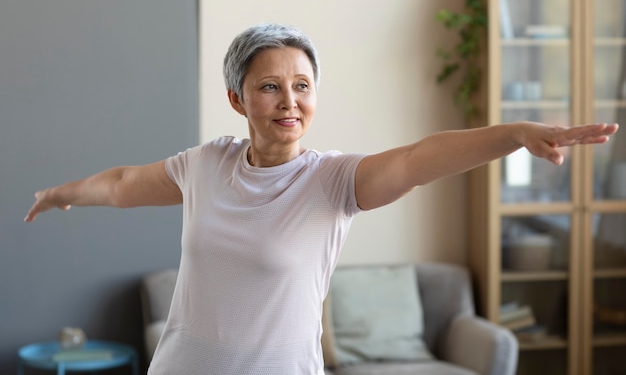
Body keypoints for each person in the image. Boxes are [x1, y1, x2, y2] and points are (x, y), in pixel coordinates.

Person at [25, 23, 618, 375]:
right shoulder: (206, 164)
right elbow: (126, 183)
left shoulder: (333, 182)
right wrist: (61, 193)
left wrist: (513, 135)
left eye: (302, 86)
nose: (290, 100)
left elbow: (419, 158)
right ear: (238, 99)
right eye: (270, 86)